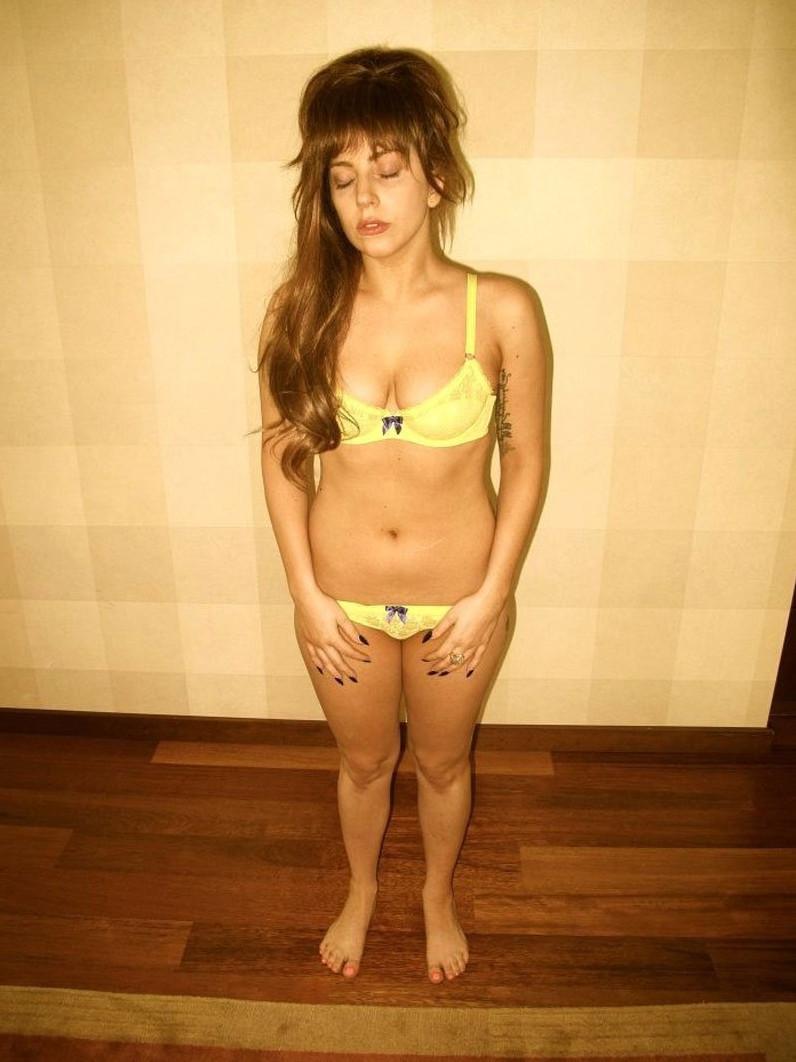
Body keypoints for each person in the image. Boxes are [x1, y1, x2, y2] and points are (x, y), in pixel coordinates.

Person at [251, 46, 546, 985]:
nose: (364, 197)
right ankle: (363, 889)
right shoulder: (301, 310)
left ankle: (436, 896)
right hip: (340, 604)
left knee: (446, 767)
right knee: (365, 765)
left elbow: (526, 459)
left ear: (437, 175)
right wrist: (305, 597)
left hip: (460, 602)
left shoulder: (502, 310)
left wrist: (492, 596)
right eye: (342, 178)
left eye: (386, 169)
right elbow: (283, 462)